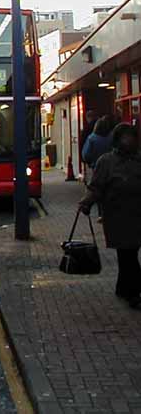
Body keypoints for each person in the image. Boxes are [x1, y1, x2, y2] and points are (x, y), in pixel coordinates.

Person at [79, 123, 141, 309]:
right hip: (117, 216)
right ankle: (132, 292)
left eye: (131, 137)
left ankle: (123, 288)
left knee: (128, 254)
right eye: (125, 137)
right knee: (127, 253)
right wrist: (86, 202)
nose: (128, 141)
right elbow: (96, 187)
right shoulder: (106, 162)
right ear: (117, 140)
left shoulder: (139, 160)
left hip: (137, 215)